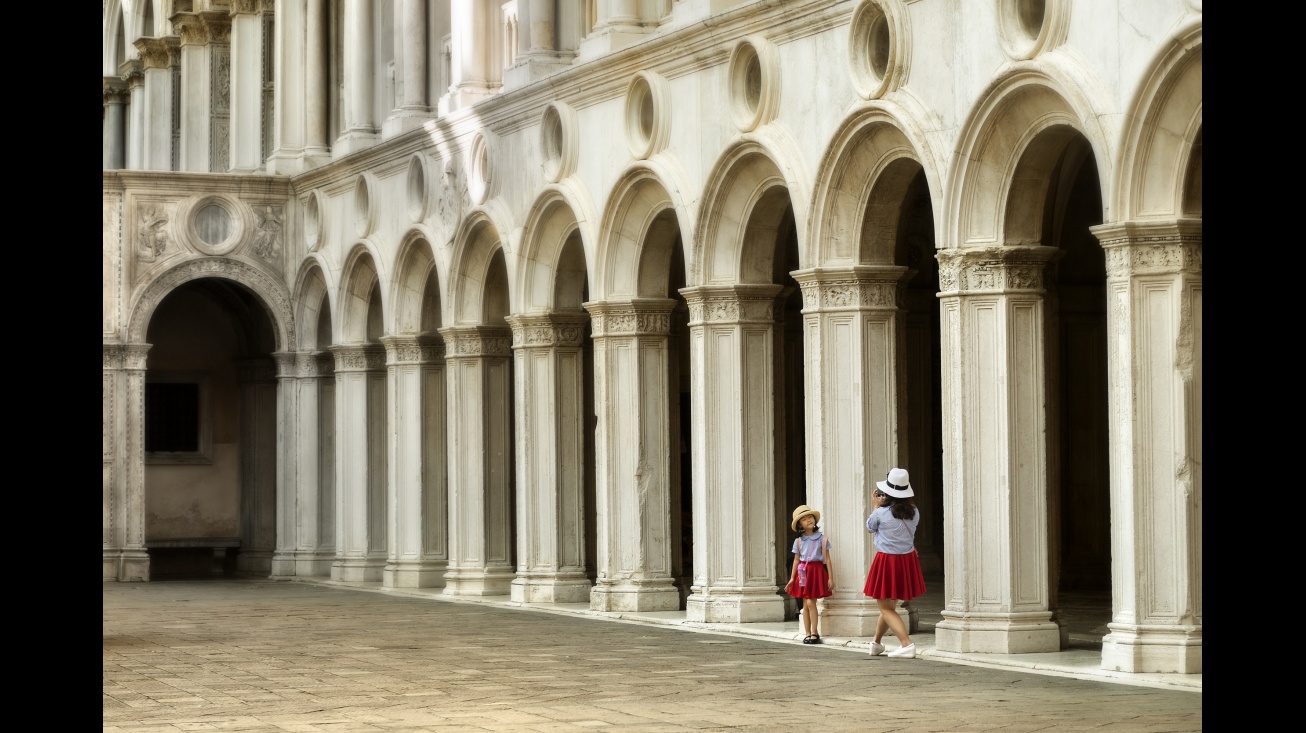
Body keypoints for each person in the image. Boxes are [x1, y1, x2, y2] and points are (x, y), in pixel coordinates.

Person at [863, 468, 926, 658]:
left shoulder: (881, 513)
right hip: (906, 561)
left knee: (885, 607)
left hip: (887, 561)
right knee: (889, 607)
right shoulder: (914, 512)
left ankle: (906, 644)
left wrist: (876, 506)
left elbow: (870, 527)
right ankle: (876, 643)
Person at [784, 504, 834, 644]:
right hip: (803, 572)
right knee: (805, 604)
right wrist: (792, 578)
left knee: (811, 602)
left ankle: (814, 632)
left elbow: (827, 559)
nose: (808, 520)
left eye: (810, 517)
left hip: (816, 571)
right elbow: (796, 560)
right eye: (804, 519)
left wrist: (830, 577)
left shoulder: (822, 539)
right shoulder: (798, 541)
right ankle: (807, 632)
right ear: (800, 524)